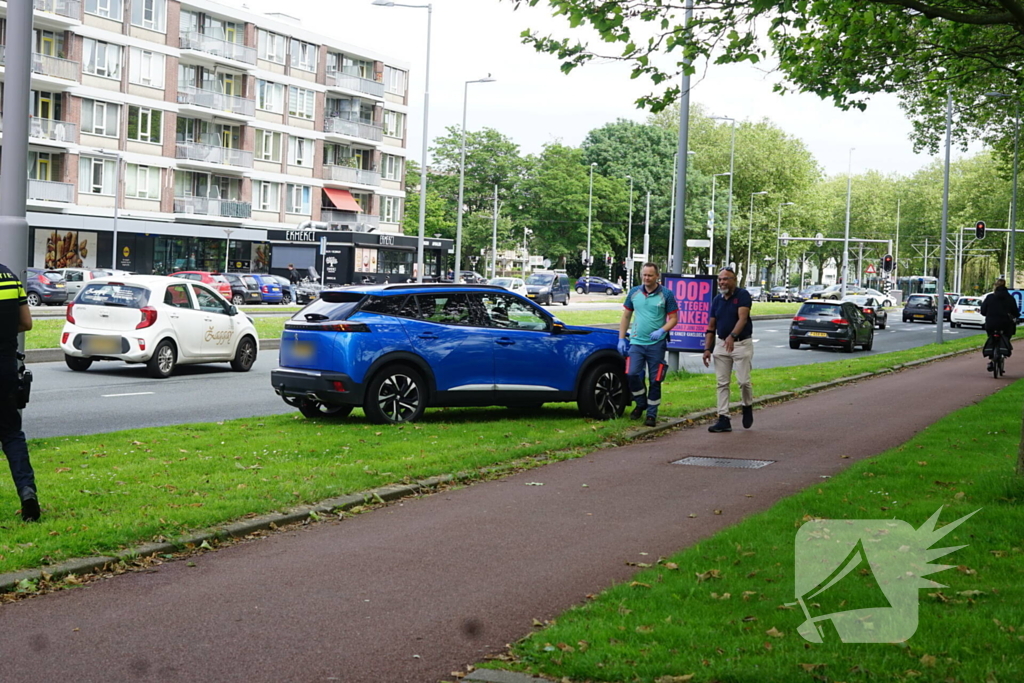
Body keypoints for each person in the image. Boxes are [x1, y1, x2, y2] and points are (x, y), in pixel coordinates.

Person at [0, 263, 40, 522]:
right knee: (12, 433)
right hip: (5, 370)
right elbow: (26, 323)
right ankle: (27, 493)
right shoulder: (9, 276)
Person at [617, 263, 679, 427]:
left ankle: (651, 414)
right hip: (636, 342)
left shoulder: (666, 294)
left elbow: (674, 318)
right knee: (631, 374)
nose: (646, 278)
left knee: (655, 380)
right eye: (644, 275)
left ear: (657, 276)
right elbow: (626, 316)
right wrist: (621, 338)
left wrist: (662, 330)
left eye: (650, 275)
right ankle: (641, 401)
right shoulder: (634, 292)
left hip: (656, 344)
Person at [702, 268, 755, 433]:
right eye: (720, 280)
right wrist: (707, 349)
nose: (722, 282)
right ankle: (723, 418)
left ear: (734, 280)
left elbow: (742, 318)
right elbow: (711, 326)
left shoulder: (742, 295)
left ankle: (747, 405)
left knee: (743, 381)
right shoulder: (717, 300)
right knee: (722, 383)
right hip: (722, 344)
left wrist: (732, 336)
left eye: (726, 279)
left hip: (740, 344)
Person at [981, 278, 1020, 369]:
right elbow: (1015, 312)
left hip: (991, 323)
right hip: (1005, 324)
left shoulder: (989, 297)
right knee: (1007, 335)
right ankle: (1004, 350)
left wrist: (989, 314)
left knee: (991, 336)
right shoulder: (1010, 298)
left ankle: (991, 358)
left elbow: (983, 311)